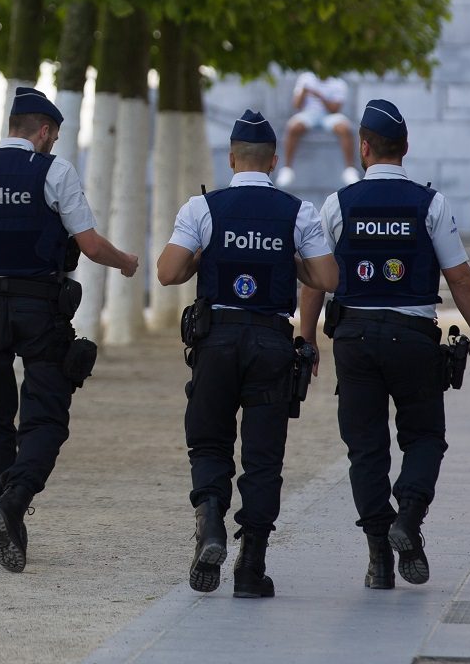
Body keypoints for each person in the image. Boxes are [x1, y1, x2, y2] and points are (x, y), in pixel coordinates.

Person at [0, 86, 141, 574]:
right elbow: (89, 244)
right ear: (43, 131)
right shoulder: (55, 172)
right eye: (54, 136)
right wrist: (126, 262)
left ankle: (4, 513)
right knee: (46, 417)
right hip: (41, 310)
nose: (54, 144)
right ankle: (14, 500)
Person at [298, 99, 470, 590]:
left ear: (364, 148)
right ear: (405, 148)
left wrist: (305, 337)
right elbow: (460, 278)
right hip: (413, 338)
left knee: (365, 447)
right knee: (425, 436)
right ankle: (408, 517)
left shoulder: (338, 204)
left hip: (354, 338)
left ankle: (378, 557)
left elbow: (316, 279)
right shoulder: (430, 204)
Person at [154, 110, 339, 598]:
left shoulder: (202, 208)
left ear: (232, 158)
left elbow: (167, 273)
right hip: (270, 344)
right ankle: (251, 567)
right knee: (263, 458)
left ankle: (211, 521)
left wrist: (202, 256)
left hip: (216, 341)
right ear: (274, 161)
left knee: (209, 442)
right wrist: (287, 260)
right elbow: (328, 278)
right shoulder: (297, 212)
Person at [276, 71, 358, 188]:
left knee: (345, 129)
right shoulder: (305, 78)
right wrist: (303, 92)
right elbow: (297, 105)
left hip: (329, 116)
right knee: (293, 127)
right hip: (308, 114)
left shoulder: (338, 83)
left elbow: (334, 109)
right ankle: (287, 169)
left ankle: (350, 169)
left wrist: (319, 95)